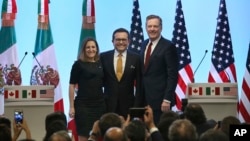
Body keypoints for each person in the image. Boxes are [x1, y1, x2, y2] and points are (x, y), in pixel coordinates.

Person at [140, 14, 179, 124]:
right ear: (146, 27)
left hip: (161, 101)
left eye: (155, 26)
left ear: (161, 28)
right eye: (149, 26)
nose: (152, 29)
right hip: (144, 99)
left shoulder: (168, 46)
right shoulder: (144, 44)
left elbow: (173, 75)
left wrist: (167, 99)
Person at [69, 37, 106, 141]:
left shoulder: (101, 63)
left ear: (97, 49)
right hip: (83, 106)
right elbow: (71, 85)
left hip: (99, 105)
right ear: (84, 50)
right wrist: (71, 107)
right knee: (84, 135)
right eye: (88, 47)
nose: (91, 49)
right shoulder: (78, 64)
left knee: (98, 135)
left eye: (93, 47)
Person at [100, 28, 142, 119]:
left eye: (124, 40)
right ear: (112, 41)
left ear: (129, 41)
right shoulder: (103, 57)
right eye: (118, 40)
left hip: (129, 106)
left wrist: (137, 106)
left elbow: (139, 84)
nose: (121, 42)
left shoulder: (136, 58)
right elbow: (99, 81)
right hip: (107, 106)